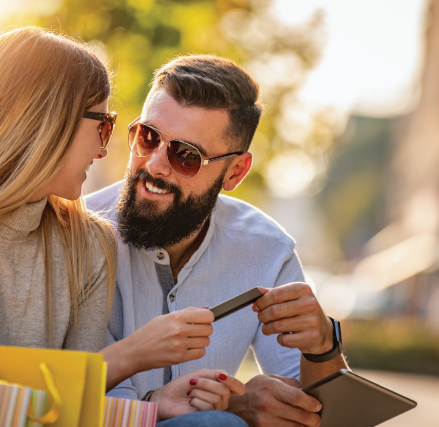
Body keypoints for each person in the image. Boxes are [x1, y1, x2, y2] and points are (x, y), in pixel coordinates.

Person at [0, 29, 244, 423]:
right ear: (46, 124)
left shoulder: (88, 242)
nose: (104, 149)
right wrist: (127, 357)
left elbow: (71, 414)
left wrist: (152, 406)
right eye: (104, 126)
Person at [86, 54, 350, 426]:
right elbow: (63, 389)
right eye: (148, 137)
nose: (154, 164)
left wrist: (322, 349)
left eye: (187, 156)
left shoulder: (268, 250)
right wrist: (227, 409)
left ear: (235, 172)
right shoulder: (79, 231)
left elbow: (322, 415)